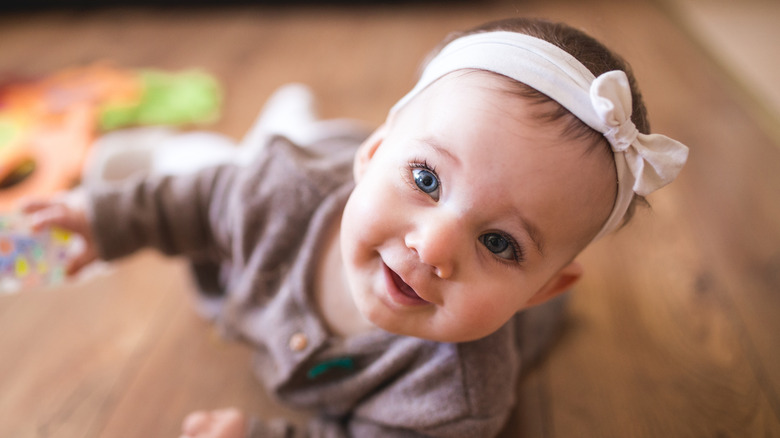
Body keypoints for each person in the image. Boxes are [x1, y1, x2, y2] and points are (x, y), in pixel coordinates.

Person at [22, 17, 688, 438]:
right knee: (233, 171)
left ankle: (307, 129)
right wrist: (101, 221)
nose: (432, 247)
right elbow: (197, 203)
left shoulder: (457, 397)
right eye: (426, 180)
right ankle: (296, 125)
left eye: (500, 244)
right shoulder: (281, 194)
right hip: (311, 169)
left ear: (543, 290)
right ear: (375, 155)